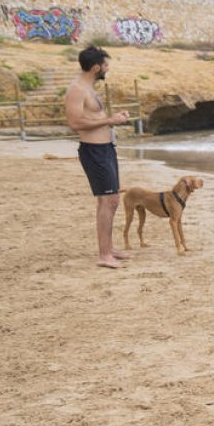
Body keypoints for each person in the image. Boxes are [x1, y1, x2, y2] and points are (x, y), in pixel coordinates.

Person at [63, 45, 132, 268]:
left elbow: (94, 116)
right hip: (94, 152)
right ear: (95, 67)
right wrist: (109, 121)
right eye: (105, 65)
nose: (107, 68)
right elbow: (74, 123)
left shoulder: (89, 87)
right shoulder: (77, 89)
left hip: (105, 148)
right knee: (108, 200)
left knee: (110, 200)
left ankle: (109, 248)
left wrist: (114, 118)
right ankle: (104, 255)